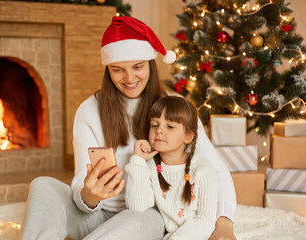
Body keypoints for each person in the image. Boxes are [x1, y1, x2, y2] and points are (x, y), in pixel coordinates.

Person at [19, 16, 237, 240]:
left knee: (134, 216)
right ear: (108, 70)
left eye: (138, 67)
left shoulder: (174, 108)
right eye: (117, 70)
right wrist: (89, 196)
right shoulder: (89, 110)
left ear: (150, 64)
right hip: (95, 215)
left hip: (143, 216)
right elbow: (80, 188)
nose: (129, 78)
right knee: (42, 185)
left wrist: (224, 226)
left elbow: (216, 169)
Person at [125, 96, 218, 240]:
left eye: (170, 126)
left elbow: (205, 221)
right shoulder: (150, 167)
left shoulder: (203, 169)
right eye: (154, 125)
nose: (159, 131)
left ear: (188, 136)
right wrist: (137, 160)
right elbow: (137, 207)